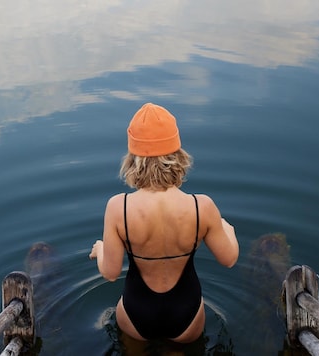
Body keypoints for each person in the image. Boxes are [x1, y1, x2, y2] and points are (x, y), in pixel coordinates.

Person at [89, 102, 239, 343]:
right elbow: (229, 259)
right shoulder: (202, 206)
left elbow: (110, 273)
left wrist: (101, 250)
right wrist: (228, 231)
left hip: (135, 313)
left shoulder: (119, 207)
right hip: (187, 316)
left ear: (133, 157)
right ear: (177, 153)